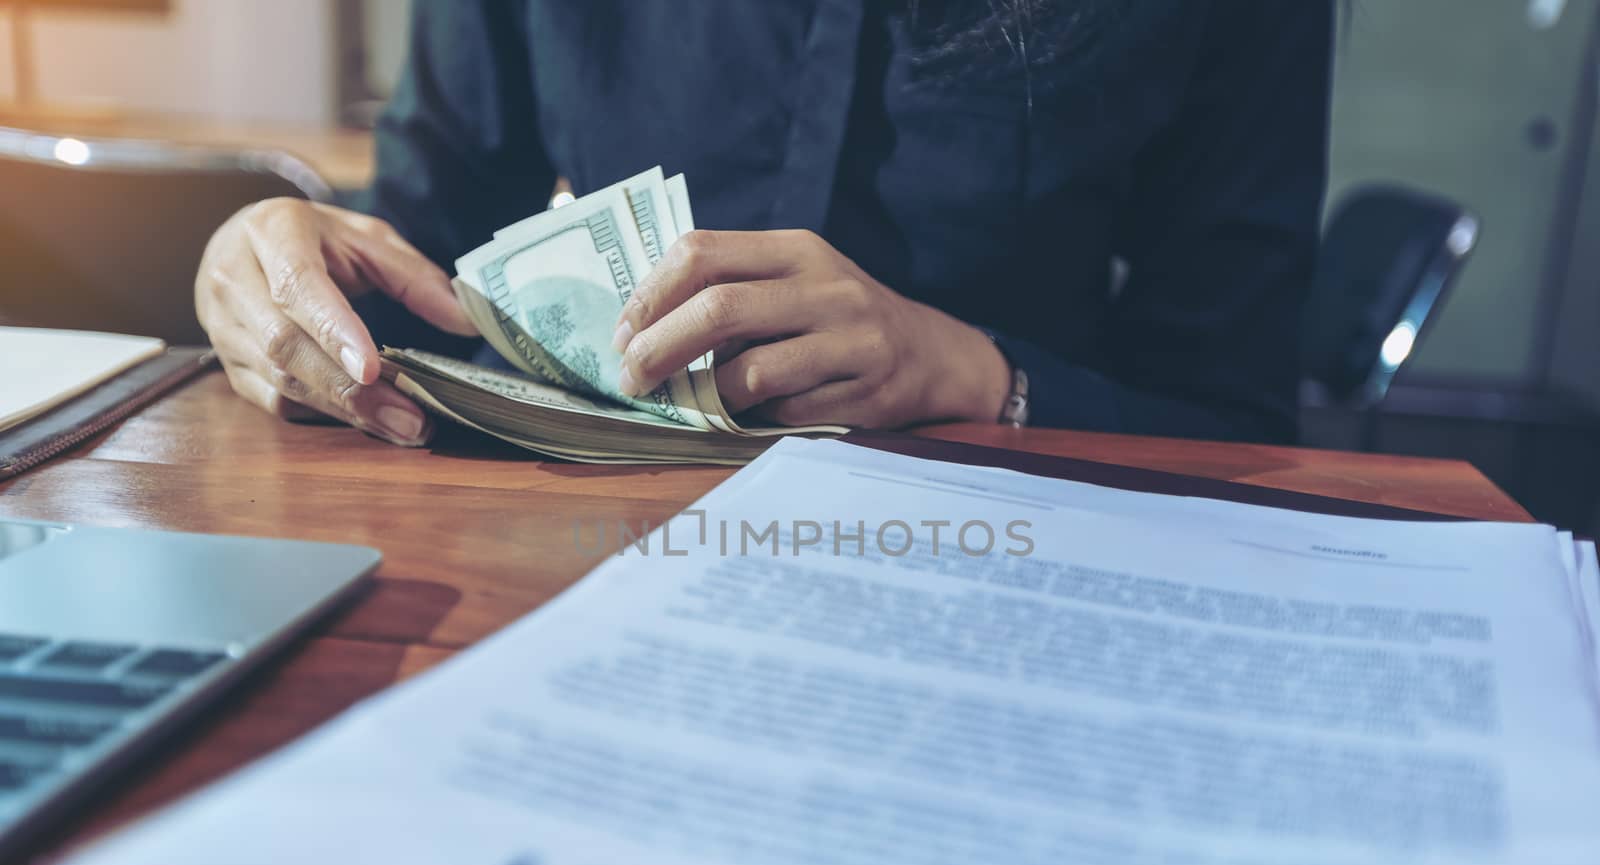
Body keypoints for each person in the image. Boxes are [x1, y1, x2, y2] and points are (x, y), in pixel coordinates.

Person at [195, 0, 1333, 447]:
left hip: (1007, 555)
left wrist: (973, 372)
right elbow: (419, 255)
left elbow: (1231, 417)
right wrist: (280, 272)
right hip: (581, 562)